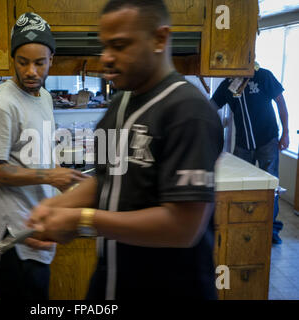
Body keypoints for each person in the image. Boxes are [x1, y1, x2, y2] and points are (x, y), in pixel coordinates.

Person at [28, 0, 224, 300]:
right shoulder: (120, 104)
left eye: (119, 46)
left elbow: (184, 226)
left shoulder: (189, 111)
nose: (106, 58)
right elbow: (107, 180)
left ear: (159, 39)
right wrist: (56, 207)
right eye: (105, 45)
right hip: (112, 280)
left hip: (172, 288)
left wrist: (82, 220)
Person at [0, 12, 86, 300]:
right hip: (11, 239)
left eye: (39, 62)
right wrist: (51, 175)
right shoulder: (0, 105)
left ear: (52, 59)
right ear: (13, 59)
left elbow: (39, 153)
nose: (31, 72)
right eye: (23, 62)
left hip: (35, 226)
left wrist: (62, 181)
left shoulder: (43, 97)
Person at [211, 63, 289, 245]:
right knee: (240, 187)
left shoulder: (264, 76)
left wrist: (285, 132)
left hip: (267, 141)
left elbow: (281, 102)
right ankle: (242, 223)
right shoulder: (227, 85)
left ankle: (271, 229)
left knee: (270, 189)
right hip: (243, 143)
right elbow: (211, 106)